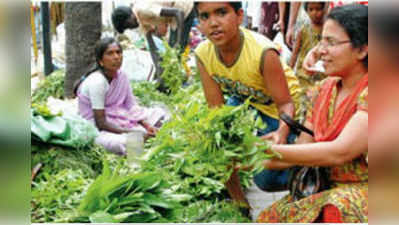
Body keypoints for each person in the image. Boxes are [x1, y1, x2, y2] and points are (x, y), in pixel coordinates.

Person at [257, 4, 368, 223]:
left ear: (363, 49)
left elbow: (340, 152)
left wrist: (271, 151)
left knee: (335, 208)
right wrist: (250, 154)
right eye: (321, 40)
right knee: (270, 216)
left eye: (331, 42)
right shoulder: (322, 91)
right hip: (329, 189)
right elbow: (302, 150)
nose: (320, 50)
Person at [194, 2, 303, 208]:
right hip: (247, 101)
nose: (213, 23)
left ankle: (309, 175)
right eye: (205, 16)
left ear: (239, 16)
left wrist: (280, 134)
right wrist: (218, 141)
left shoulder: (263, 51)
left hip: (280, 108)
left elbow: (286, 104)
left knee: (266, 179)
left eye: (222, 13)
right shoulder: (203, 54)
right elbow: (216, 111)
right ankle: (241, 207)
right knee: (220, 143)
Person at [75, 37, 166, 155]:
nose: (116, 57)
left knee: (160, 114)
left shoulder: (122, 76)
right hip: (97, 129)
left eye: (118, 52)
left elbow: (130, 105)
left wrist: (146, 125)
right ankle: (134, 166)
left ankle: (142, 140)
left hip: (120, 117)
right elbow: (101, 123)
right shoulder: (97, 82)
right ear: (101, 61)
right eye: (110, 53)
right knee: (131, 141)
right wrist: (131, 132)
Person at [111, 1, 195, 80]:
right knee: (171, 58)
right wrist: (158, 72)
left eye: (128, 26)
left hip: (184, 9)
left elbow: (179, 12)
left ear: (129, 17)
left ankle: (178, 85)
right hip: (174, 20)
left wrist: (178, 41)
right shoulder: (140, 21)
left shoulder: (143, 10)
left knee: (176, 55)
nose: (131, 28)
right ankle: (173, 83)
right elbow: (152, 48)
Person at [290, 2, 326, 91]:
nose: (314, 13)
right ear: (306, 11)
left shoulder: (327, 29)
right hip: (304, 75)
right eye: (311, 10)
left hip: (322, 75)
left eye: (318, 9)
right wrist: (290, 70)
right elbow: (295, 53)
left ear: (324, 10)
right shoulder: (303, 29)